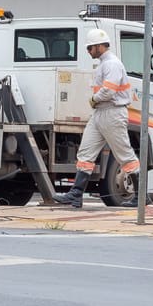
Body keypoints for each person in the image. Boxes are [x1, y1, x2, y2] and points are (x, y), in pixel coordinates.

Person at [56, 27, 137, 208]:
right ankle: (76, 194)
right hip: (101, 113)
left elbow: (109, 90)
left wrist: (94, 99)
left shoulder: (112, 64)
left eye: (90, 47)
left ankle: (140, 195)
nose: (88, 51)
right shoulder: (104, 64)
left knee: (124, 154)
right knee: (85, 152)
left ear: (100, 46)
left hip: (112, 112)